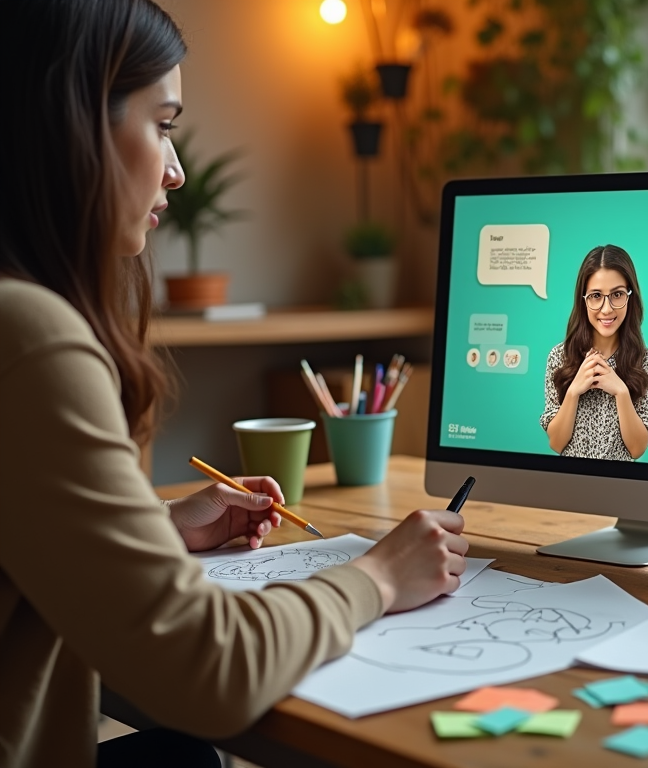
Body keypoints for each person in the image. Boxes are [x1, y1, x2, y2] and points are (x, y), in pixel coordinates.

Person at [0, 2, 467, 767]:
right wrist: (378, 576)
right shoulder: (30, 337)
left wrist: (154, 532)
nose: (177, 170)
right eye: (162, 124)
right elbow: (208, 671)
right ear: (70, 128)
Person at [540, 245, 648, 461]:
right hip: (568, 485)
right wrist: (574, 391)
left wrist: (621, 392)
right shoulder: (560, 357)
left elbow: (637, 449)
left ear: (630, 297)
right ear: (583, 299)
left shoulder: (647, 362)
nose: (606, 308)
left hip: (619, 487)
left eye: (617, 294)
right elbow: (556, 444)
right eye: (596, 295)